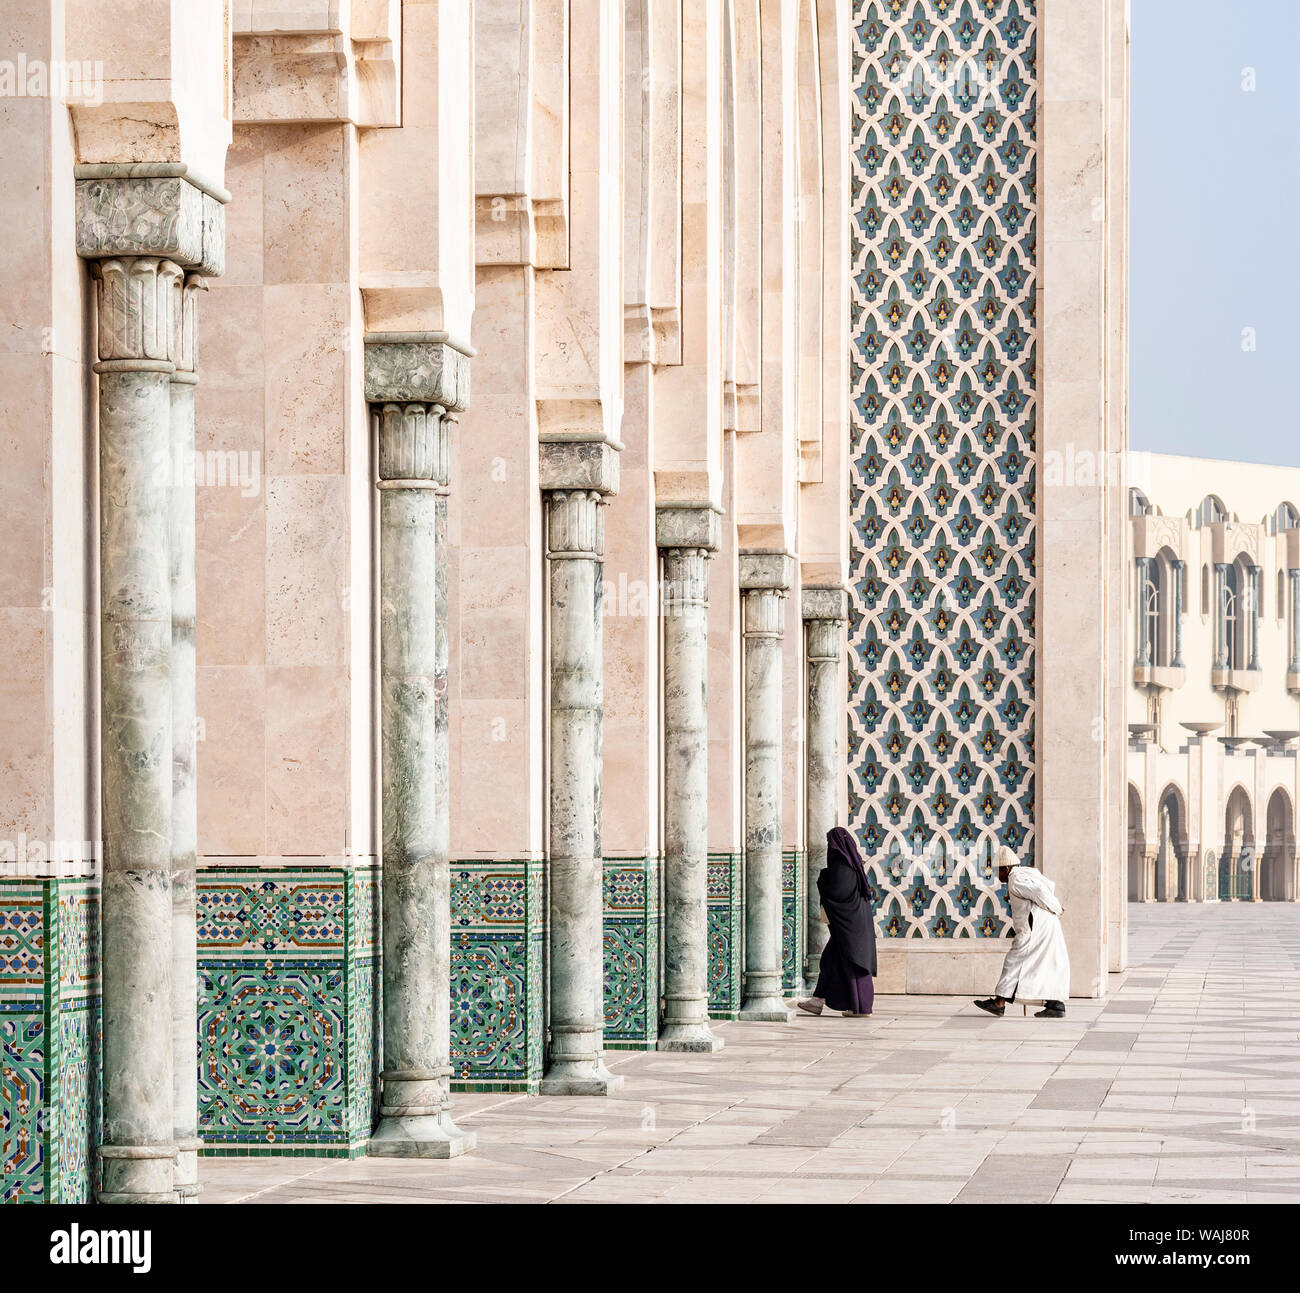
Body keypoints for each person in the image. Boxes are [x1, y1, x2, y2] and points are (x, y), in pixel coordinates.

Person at [974, 845, 1070, 1018]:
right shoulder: (1026, 873)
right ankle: (1055, 1005)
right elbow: (1047, 886)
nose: (998, 875)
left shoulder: (1015, 879)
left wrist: (1057, 907)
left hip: (1035, 928)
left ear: (1006, 868)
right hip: (1044, 925)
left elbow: (1040, 891)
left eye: (999, 871)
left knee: (1014, 961)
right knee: (1047, 962)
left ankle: (999, 1003)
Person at [797, 827, 877, 1018]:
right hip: (851, 927)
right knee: (830, 960)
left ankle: (862, 1007)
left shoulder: (842, 866)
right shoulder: (853, 865)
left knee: (854, 963)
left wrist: (823, 878)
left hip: (849, 928)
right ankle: (817, 1001)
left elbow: (837, 893)